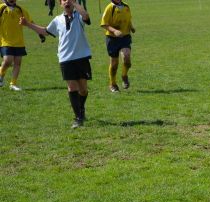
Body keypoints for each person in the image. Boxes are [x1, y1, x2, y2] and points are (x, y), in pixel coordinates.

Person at [20, 0, 92, 128]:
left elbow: (86, 16)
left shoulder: (79, 16)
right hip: (65, 59)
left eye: (69, 0)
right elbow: (45, 31)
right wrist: (28, 24)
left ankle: (81, 108)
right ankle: (78, 118)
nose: (66, 2)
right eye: (63, 0)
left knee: (83, 90)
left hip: (81, 57)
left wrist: (75, 3)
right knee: (72, 87)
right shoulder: (58, 19)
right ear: (60, 4)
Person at [100, 0, 135, 92]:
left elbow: (128, 19)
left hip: (125, 36)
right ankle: (113, 84)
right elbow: (104, 24)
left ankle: (124, 75)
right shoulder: (109, 8)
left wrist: (131, 27)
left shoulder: (126, 6)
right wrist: (114, 31)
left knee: (127, 58)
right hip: (112, 39)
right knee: (114, 64)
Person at [0, 0, 33, 91]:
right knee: (7, 61)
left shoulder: (21, 9)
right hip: (5, 41)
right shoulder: (1, 8)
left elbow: (30, 21)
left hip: (19, 42)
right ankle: (1, 75)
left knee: (17, 63)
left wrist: (40, 34)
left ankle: (13, 84)